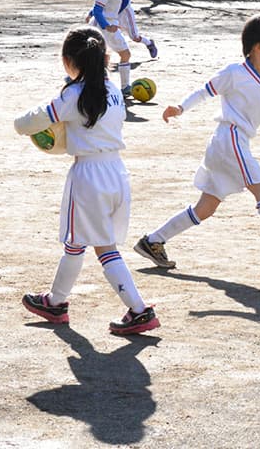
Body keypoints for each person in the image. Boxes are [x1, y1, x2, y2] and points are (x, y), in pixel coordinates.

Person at [133, 4, 260, 271]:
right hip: (230, 139)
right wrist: (180, 108)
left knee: (205, 208)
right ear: (258, 48)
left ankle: (153, 240)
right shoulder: (234, 73)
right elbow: (205, 91)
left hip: (228, 145)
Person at [15, 26, 160, 335]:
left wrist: (24, 124)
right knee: (87, 243)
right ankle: (57, 301)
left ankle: (136, 309)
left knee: (90, 245)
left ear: (69, 62)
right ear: (105, 58)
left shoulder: (73, 94)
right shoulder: (114, 92)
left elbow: (30, 122)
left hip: (88, 176)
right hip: (117, 173)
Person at [90, 0, 158, 96]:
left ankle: (125, 87)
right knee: (99, 58)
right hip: (101, 29)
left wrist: (115, 18)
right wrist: (106, 25)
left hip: (112, 27)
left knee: (125, 54)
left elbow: (124, 2)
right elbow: (97, 10)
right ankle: (93, 84)